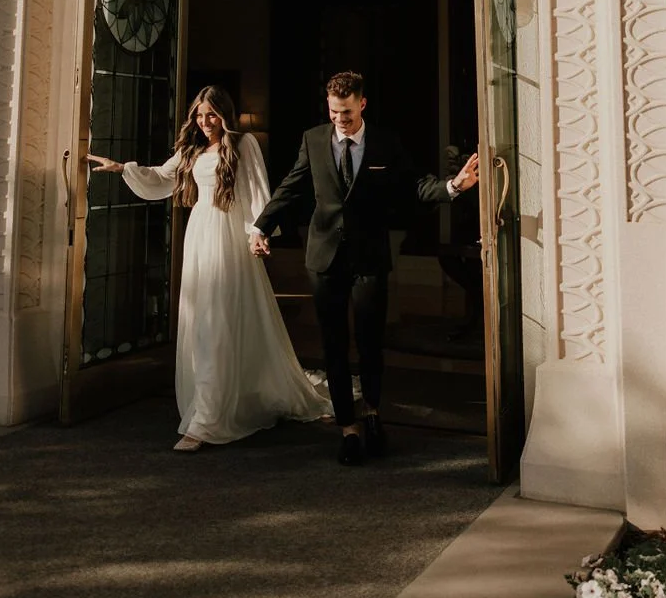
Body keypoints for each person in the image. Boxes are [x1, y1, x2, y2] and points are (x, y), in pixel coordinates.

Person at [250, 70, 479, 467]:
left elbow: (415, 184)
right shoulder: (313, 139)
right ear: (328, 106)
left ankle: (372, 414)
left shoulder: (385, 142)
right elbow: (292, 186)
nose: (340, 118)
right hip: (324, 259)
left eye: (348, 111)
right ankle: (347, 429)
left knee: (371, 342)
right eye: (335, 111)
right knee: (334, 346)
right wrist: (260, 226)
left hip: (369, 258)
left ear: (362, 104)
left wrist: (452, 186)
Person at [86, 85, 329, 452]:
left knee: (222, 318)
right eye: (200, 116)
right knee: (202, 318)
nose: (205, 122)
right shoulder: (192, 147)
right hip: (200, 234)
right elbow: (163, 177)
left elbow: (257, 190)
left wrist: (258, 232)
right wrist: (122, 168)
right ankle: (207, 406)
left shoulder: (243, 144)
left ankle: (207, 420)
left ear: (225, 114)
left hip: (230, 236)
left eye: (212, 115)